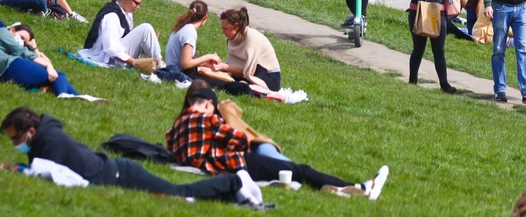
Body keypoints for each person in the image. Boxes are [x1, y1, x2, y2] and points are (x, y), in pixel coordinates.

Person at [0, 106, 264, 207]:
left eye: (15, 138)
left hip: (121, 173)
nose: (15, 143)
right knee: (180, 193)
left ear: (30, 131)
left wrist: (17, 169)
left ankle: (233, 182)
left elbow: (48, 174)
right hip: (115, 172)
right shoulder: (44, 139)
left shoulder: (49, 141)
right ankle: (228, 194)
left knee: (179, 193)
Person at [166, 82, 389, 198]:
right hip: (239, 164)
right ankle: (362, 187)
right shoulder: (207, 121)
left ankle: (340, 191)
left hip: (215, 165)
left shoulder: (175, 127)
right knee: (301, 170)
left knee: (296, 171)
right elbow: (242, 141)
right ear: (208, 104)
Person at [0, 22, 79, 96]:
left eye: (25, 42)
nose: (22, 42)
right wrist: (49, 65)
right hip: (9, 65)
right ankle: (65, 95)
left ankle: (75, 96)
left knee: (54, 76)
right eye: (22, 37)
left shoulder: (6, 46)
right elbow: (23, 52)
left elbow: (31, 56)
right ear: (12, 29)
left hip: (4, 71)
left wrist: (34, 48)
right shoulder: (2, 32)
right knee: (58, 75)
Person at [79, 0, 165, 67]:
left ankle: (157, 63)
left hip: (117, 55)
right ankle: (159, 65)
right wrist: (134, 62)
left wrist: (150, 40)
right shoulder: (112, 16)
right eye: (136, 3)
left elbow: (126, 37)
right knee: (146, 28)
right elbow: (111, 48)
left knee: (147, 31)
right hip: (108, 58)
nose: (138, 7)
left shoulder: (127, 13)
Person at [218, 7, 283, 92]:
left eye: (225, 29)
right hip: (249, 74)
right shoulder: (232, 39)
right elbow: (234, 66)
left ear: (236, 27)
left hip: (268, 76)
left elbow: (249, 72)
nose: (223, 32)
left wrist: (225, 67)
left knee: (239, 86)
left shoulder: (251, 37)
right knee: (225, 82)